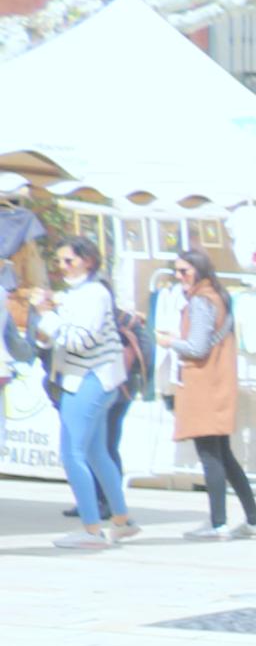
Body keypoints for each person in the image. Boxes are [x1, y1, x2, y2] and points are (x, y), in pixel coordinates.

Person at [164, 248, 256, 538]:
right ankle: (254, 519)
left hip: (204, 383)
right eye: (176, 271)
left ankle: (218, 523)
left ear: (199, 270)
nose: (179, 277)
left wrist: (167, 341)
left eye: (184, 271)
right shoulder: (219, 297)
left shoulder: (201, 302)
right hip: (217, 382)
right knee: (223, 455)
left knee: (211, 455)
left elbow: (197, 346)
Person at [45, 234, 130, 547]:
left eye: (70, 260)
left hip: (88, 378)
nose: (64, 267)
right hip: (93, 378)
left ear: (88, 261)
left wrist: (51, 319)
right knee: (95, 452)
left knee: (72, 453)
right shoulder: (79, 293)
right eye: (60, 261)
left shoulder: (93, 294)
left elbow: (81, 340)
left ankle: (91, 529)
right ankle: (120, 519)